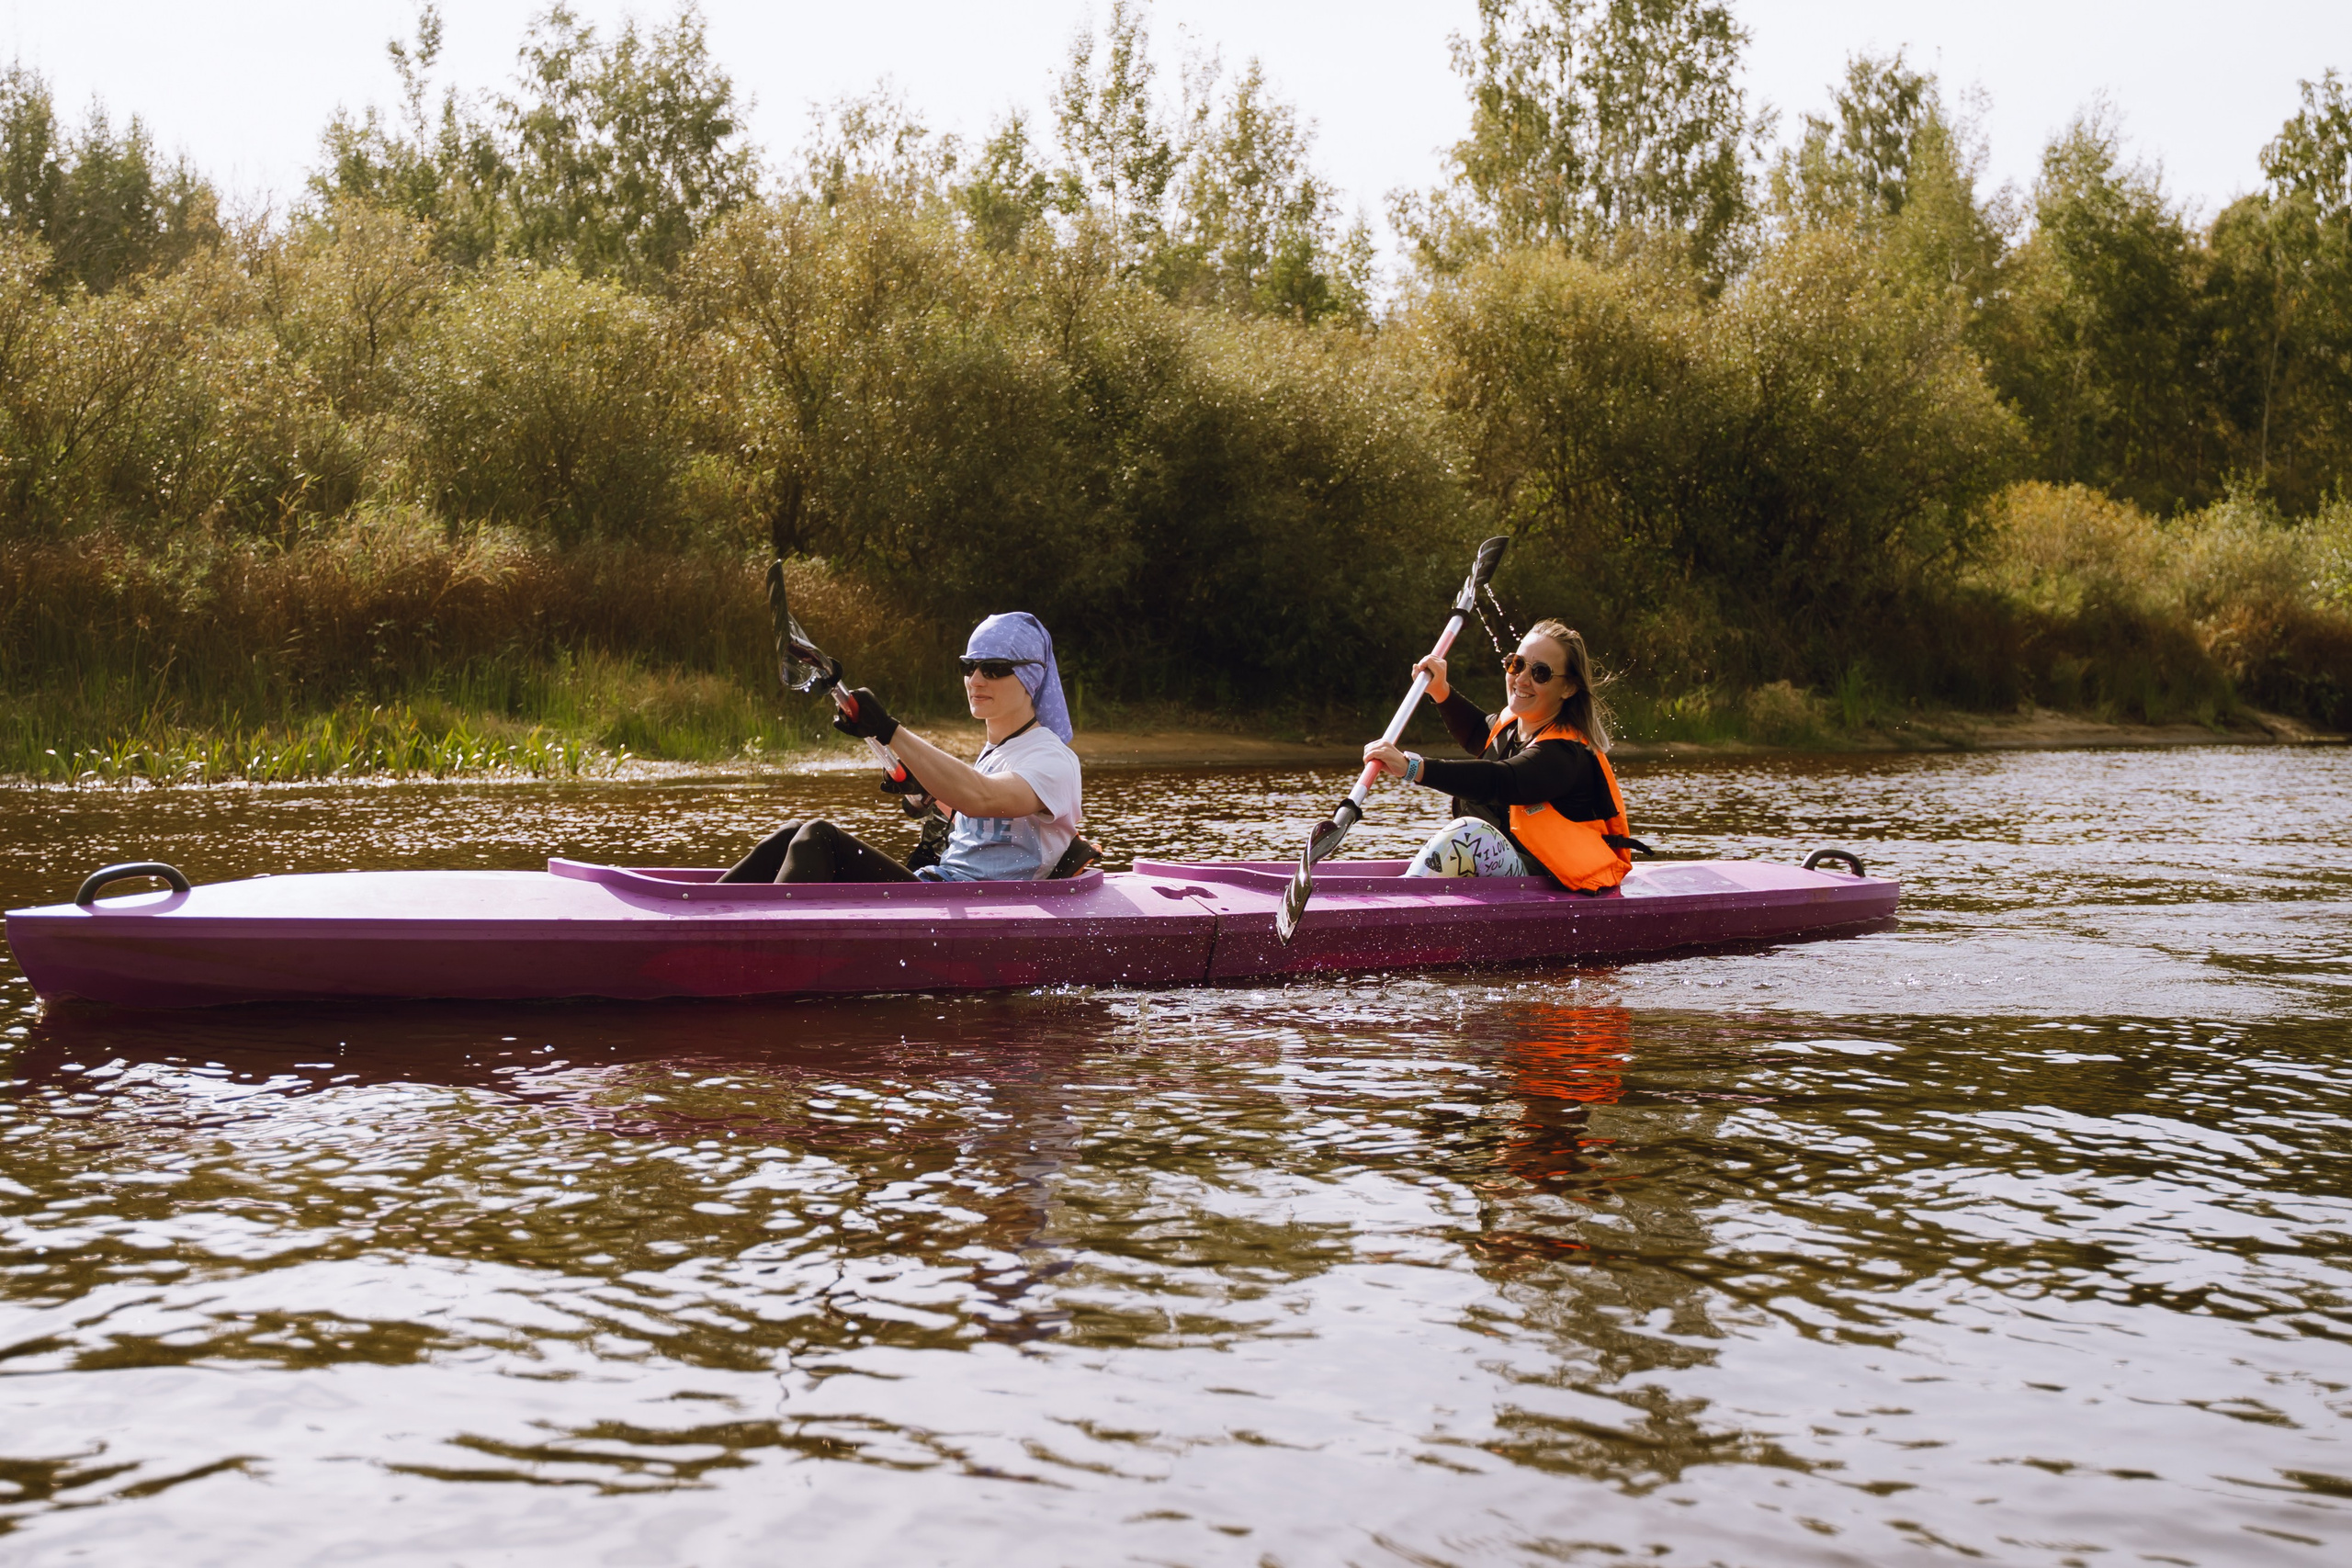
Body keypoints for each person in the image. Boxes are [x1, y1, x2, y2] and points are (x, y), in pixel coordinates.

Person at [720, 612, 1084, 884]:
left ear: (1030, 675)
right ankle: (706, 917)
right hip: (941, 890)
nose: (974, 680)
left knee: (819, 838)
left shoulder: (1052, 759)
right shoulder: (1000, 751)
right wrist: (925, 788)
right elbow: (982, 819)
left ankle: (762, 943)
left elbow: (983, 798)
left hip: (972, 907)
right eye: (969, 666)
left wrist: (889, 730)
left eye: (993, 668)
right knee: (790, 835)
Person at [1361, 618, 1635, 893]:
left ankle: (1399, 907)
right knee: (1464, 835)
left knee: (1468, 834)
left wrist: (1413, 768)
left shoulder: (1565, 755)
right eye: (1517, 664)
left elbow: (1501, 781)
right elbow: (1478, 732)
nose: (1522, 679)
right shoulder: (1514, 726)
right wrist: (1440, 690)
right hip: (1513, 880)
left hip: (1552, 888)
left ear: (1568, 688)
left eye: (1541, 673)